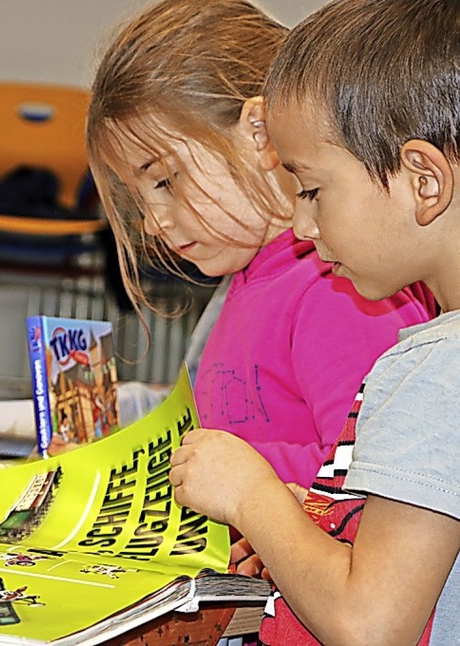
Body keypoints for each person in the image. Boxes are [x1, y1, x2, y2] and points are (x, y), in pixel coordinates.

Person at [169, 0, 460, 642]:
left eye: (311, 190)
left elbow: (370, 626)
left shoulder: (437, 369)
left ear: (424, 181)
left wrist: (255, 497)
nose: (301, 226)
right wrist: (300, 529)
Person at [87, 0, 435, 493]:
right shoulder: (250, 278)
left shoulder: (339, 288)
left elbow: (369, 474)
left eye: (165, 181)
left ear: (259, 131)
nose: (150, 223)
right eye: (140, 198)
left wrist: (233, 478)